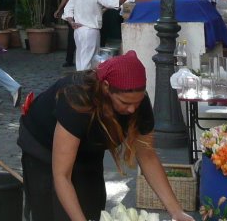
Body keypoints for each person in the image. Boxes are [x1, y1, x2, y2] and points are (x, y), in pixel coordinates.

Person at [17, 51, 195, 221]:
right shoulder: (76, 99)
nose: (132, 109)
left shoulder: (137, 104)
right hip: (42, 146)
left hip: (88, 148)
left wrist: (176, 211)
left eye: (137, 102)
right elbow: (62, 176)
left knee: (92, 207)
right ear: (106, 88)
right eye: (125, 103)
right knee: (54, 212)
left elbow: (147, 157)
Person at [63, 0, 135, 71]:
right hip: (90, 31)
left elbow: (67, 9)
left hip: (78, 31)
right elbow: (113, 2)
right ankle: (84, 84)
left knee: (81, 59)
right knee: (88, 62)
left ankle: (82, 83)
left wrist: (71, 22)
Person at [54, 0, 86, 67]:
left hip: (82, 13)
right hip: (72, 12)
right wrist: (59, 9)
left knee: (82, 36)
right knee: (71, 37)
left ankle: (83, 60)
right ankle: (69, 60)